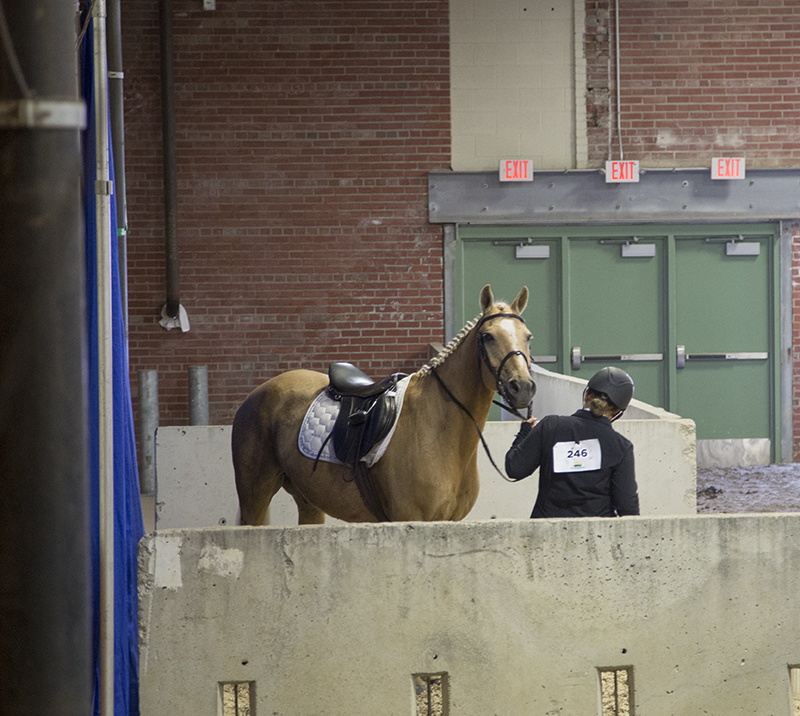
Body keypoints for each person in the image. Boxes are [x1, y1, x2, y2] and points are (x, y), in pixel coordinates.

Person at [505, 366, 639, 518]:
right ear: (617, 411)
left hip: (546, 533)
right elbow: (627, 506)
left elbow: (514, 468)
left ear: (586, 394)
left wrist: (524, 432)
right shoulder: (621, 446)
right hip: (598, 535)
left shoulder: (550, 426)